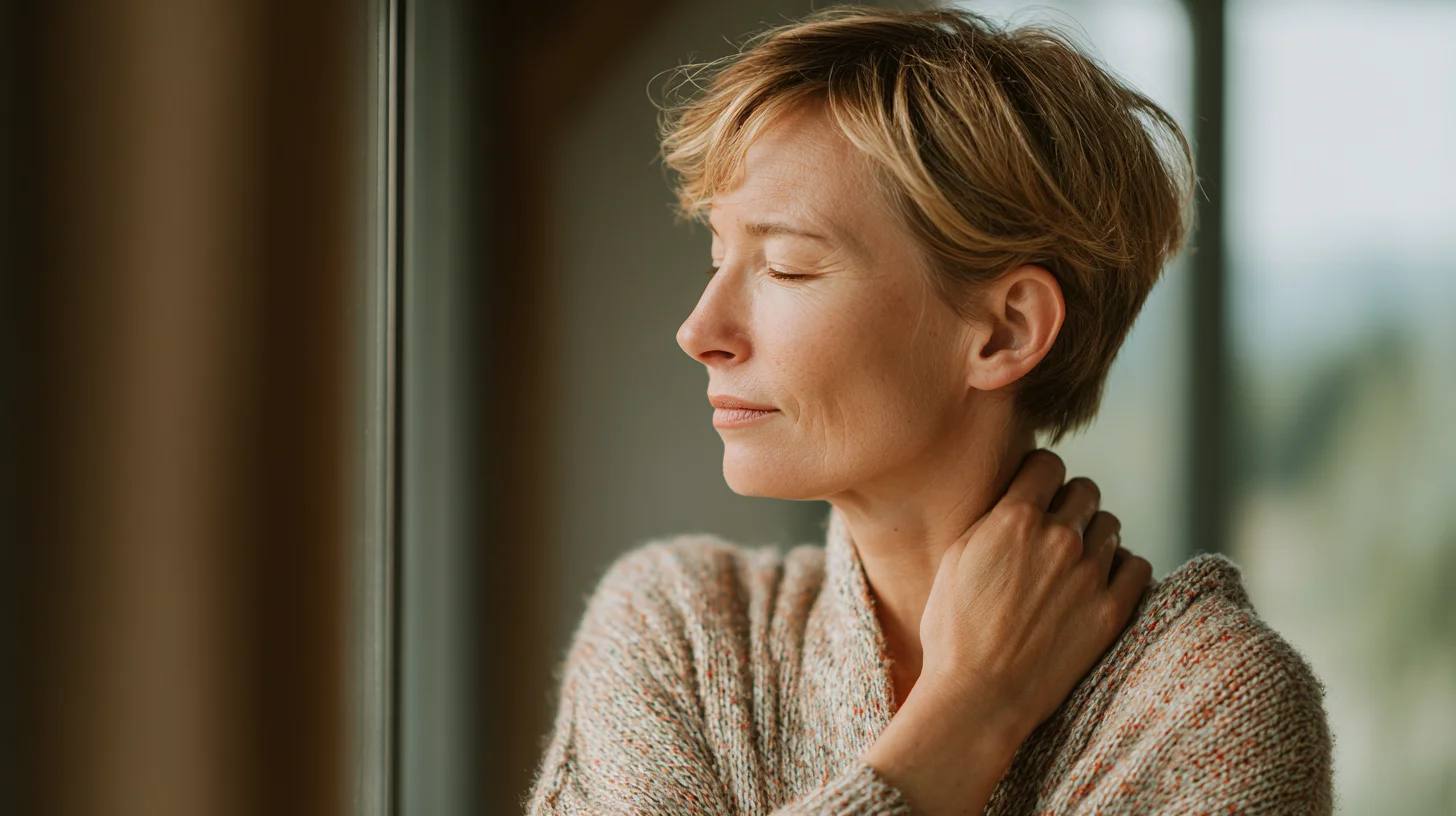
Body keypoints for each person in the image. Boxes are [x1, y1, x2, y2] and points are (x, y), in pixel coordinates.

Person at [528, 7, 1333, 814]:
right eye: (717, 256)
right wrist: (969, 712)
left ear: (1005, 330)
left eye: (786, 268)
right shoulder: (676, 630)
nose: (699, 331)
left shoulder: (1209, 706)